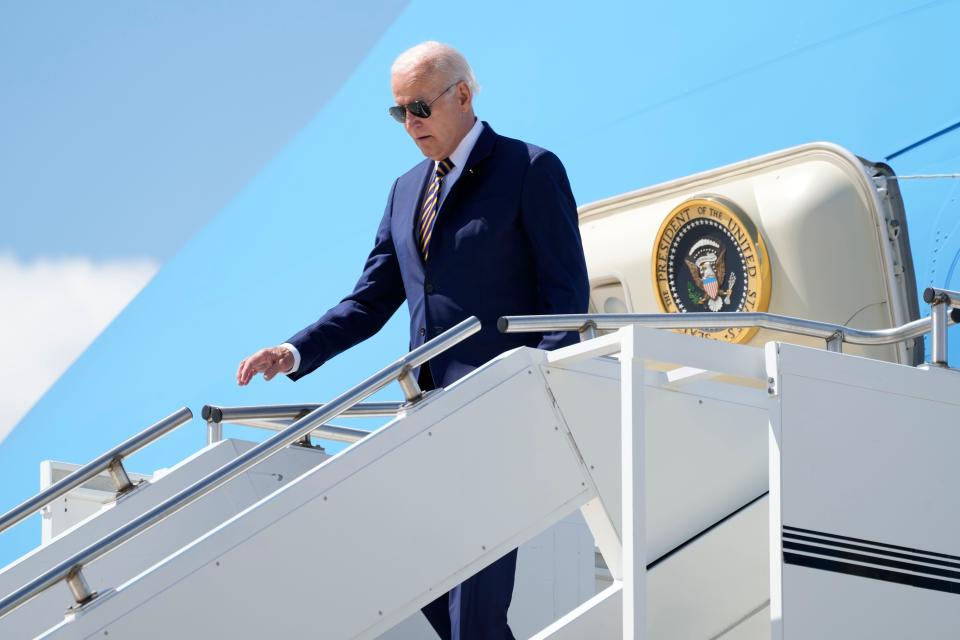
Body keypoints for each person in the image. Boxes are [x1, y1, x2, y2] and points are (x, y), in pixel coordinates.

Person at [236, 41, 589, 640]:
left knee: (473, 608)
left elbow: (567, 298)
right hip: (427, 416)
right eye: (399, 113)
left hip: (500, 415)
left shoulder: (529, 169)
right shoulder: (405, 191)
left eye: (420, 107)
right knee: (403, 576)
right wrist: (295, 350)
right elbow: (370, 300)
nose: (411, 125)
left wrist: (533, 389)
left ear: (464, 95)